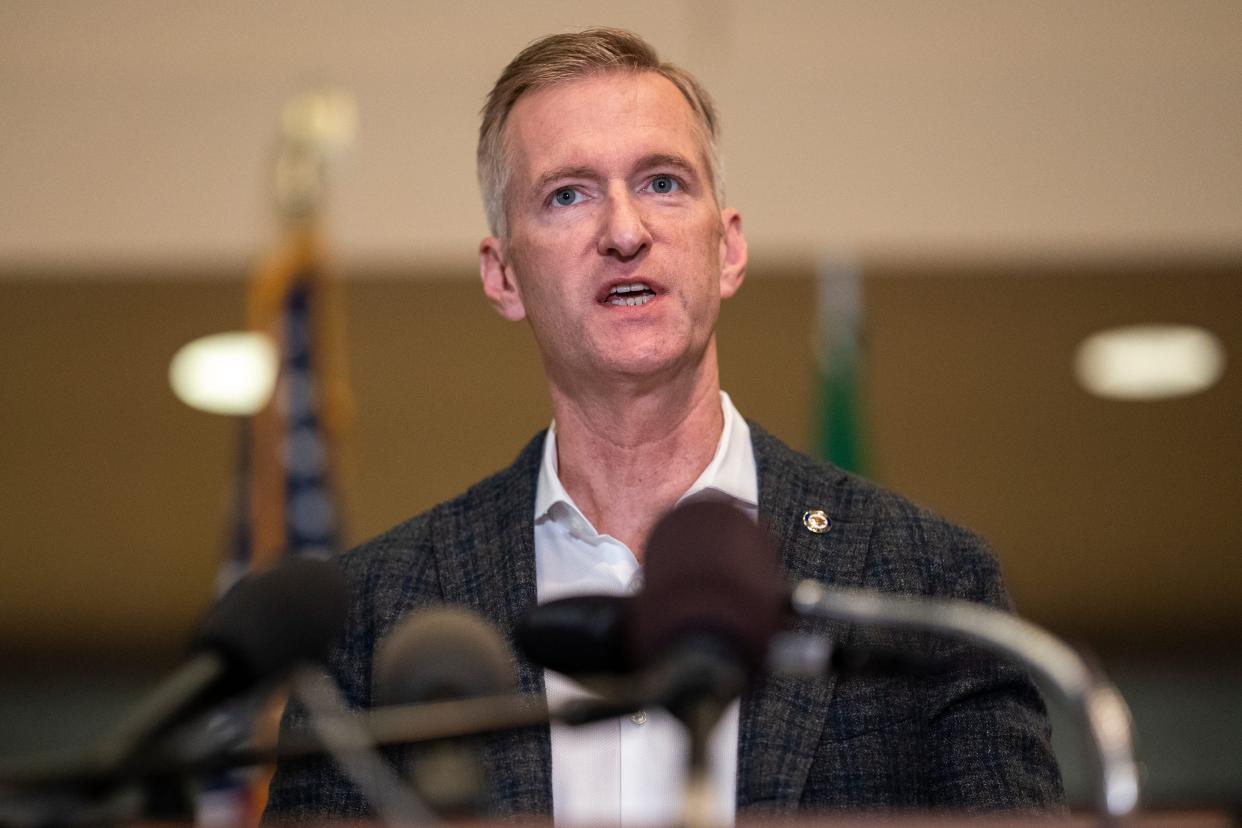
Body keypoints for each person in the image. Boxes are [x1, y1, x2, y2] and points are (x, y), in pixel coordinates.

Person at [264, 27, 1064, 824]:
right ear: (503, 274)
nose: (623, 231)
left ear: (729, 249)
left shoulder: (923, 583)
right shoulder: (373, 619)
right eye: (567, 194)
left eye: (663, 183)